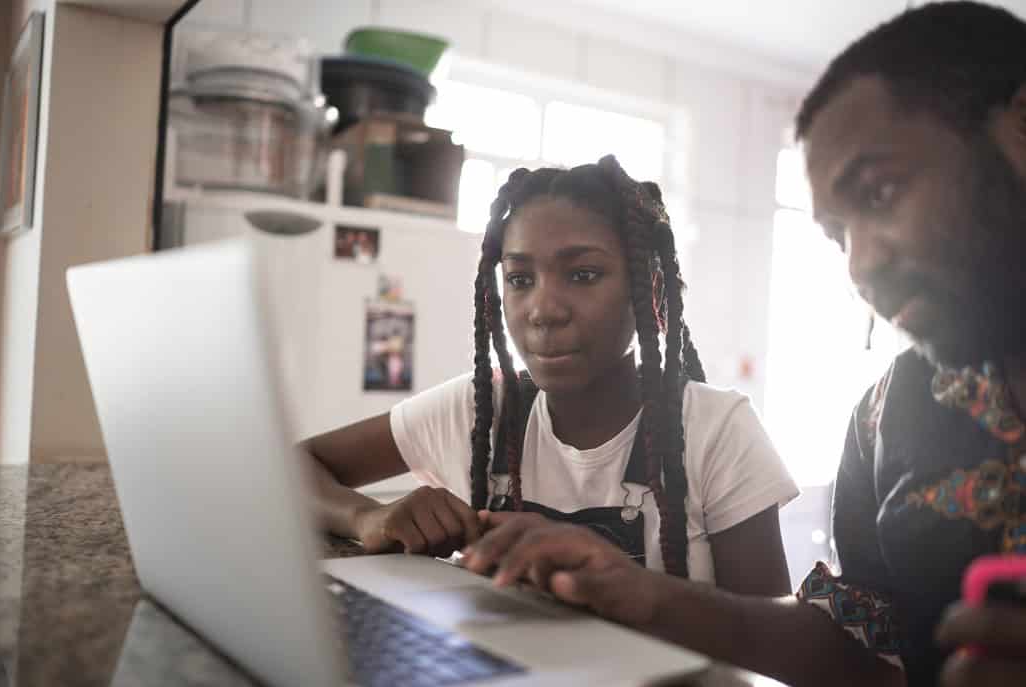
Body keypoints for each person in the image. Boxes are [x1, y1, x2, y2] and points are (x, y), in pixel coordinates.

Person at [460, 3, 1026, 687]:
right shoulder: (889, 415)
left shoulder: (721, 425)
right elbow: (863, 653)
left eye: (880, 192)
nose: (860, 264)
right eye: (837, 235)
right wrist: (639, 592)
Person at [304, 156, 798, 593]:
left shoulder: (717, 430)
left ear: (647, 291)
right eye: (520, 279)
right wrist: (367, 516)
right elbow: (294, 465)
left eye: (583, 275)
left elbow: (768, 643)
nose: (543, 311)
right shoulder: (479, 411)